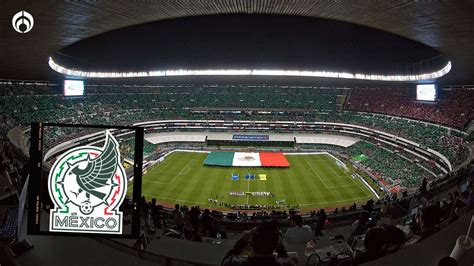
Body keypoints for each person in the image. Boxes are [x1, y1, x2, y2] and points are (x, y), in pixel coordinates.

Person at [222, 221, 296, 266]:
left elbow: (226, 260)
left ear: (250, 243)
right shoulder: (288, 264)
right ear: (277, 244)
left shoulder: (236, 264)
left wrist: (242, 240)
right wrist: (279, 244)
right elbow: (286, 259)